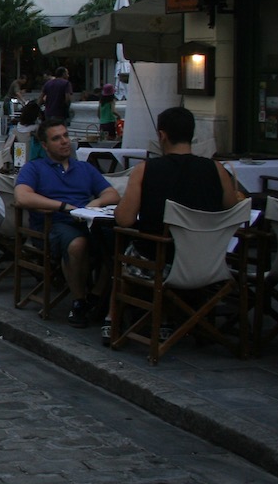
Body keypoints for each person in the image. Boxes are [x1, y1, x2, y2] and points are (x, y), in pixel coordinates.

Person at [15, 118, 122, 328]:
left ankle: (96, 295)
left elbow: (112, 193)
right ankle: (79, 300)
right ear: (45, 145)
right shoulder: (34, 168)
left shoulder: (84, 168)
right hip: (53, 224)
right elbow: (22, 197)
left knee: (118, 243)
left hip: (88, 221)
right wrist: (62, 206)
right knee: (77, 244)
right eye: (57, 138)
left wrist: (96, 202)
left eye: (65, 136)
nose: (64, 141)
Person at [114, 106, 237, 253]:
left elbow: (124, 219)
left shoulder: (144, 170)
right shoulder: (217, 169)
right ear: (191, 134)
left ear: (162, 135)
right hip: (207, 259)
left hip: (158, 261)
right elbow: (231, 210)